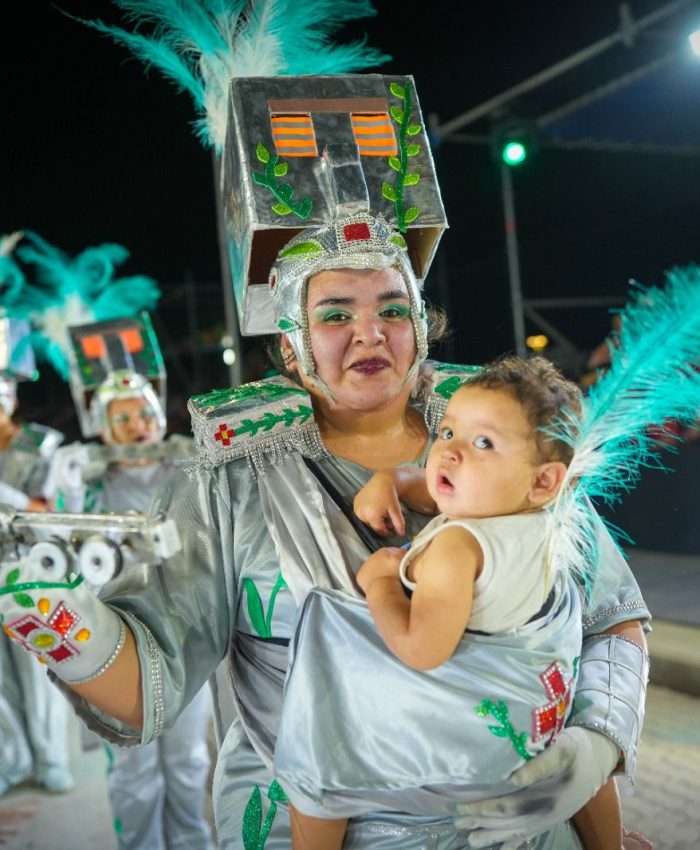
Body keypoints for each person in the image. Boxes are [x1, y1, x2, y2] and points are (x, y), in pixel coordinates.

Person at [0, 211, 651, 849]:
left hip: (523, 820)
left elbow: (610, 616)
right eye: (336, 314)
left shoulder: (510, 440)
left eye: (393, 310)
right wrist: (53, 617)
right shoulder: (228, 481)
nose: (369, 332)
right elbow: (150, 687)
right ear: (291, 341)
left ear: (421, 328)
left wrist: (592, 745)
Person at [276, 354, 633, 850]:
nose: (449, 453)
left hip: (465, 754)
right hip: (542, 732)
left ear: (545, 480)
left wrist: (379, 583)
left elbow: (422, 649)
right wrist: (396, 480)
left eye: (483, 442)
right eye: (446, 433)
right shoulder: (543, 519)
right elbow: (450, 490)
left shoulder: (456, 548)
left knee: (313, 765)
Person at [48, 363, 214, 850]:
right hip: (114, 637)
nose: (137, 427)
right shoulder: (91, 482)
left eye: (143, 414)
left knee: (188, 760)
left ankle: (192, 843)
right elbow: (61, 539)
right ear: (103, 429)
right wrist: (70, 484)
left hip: (187, 634)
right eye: (122, 420)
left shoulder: (187, 469)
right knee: (132, 763)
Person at [0, 374, 74, 797]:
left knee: (35, 666)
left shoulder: (42, 443)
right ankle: (13, 759)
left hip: (26, 568)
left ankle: (51, 759)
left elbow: (49, 510)